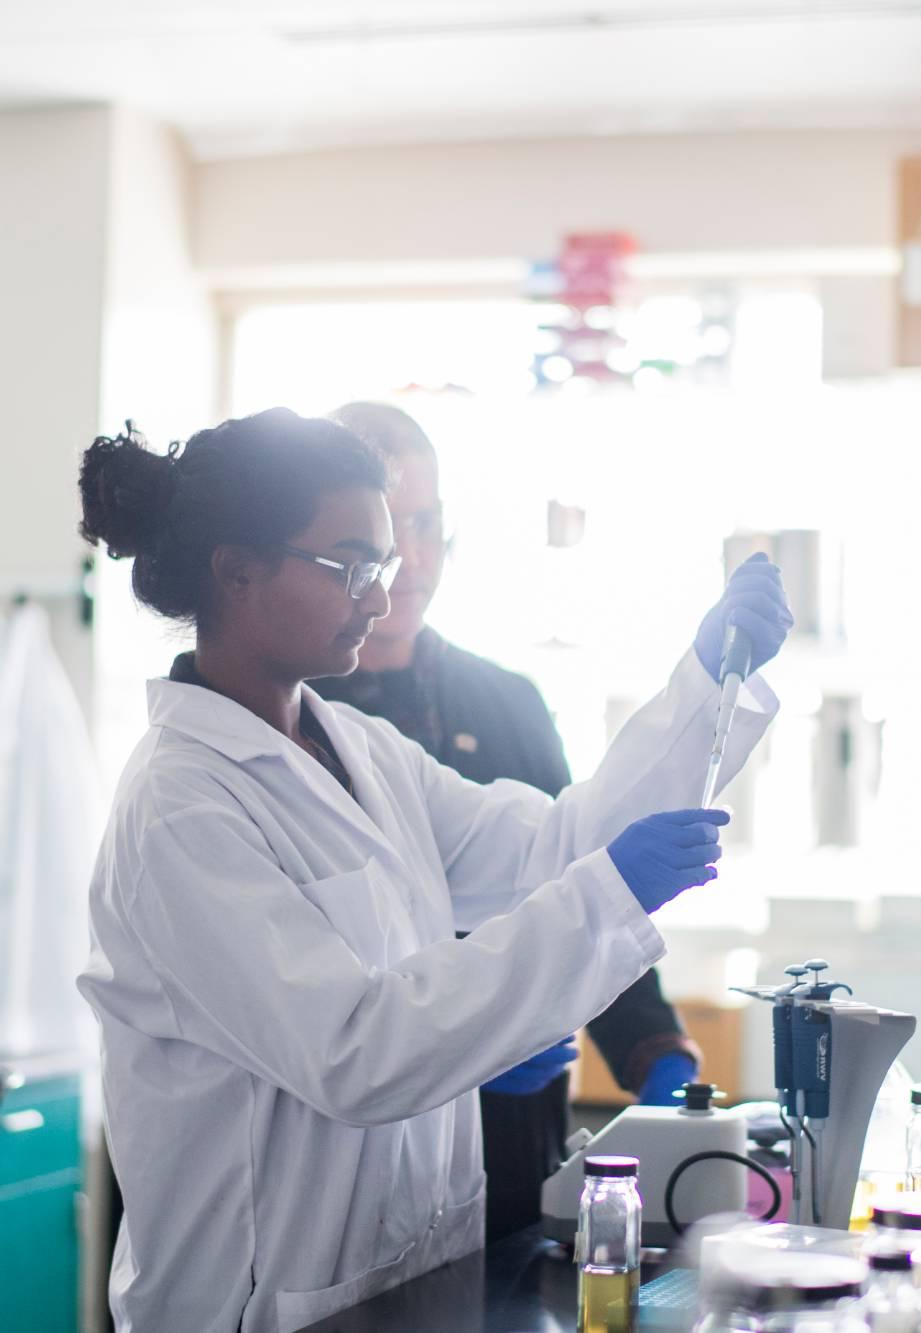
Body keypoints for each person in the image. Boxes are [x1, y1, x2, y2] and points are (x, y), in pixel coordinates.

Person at [75, 409, 792, 1331]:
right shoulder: (180, 807)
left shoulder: (359, 748)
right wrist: (604, 897)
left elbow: (549, 847)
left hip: (403, 1282)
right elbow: (356, 1049)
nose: (381, 594)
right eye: (352, 566)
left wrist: (704, 682)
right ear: (237, 569)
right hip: (258, 1306)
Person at [316, 401, 702, 1242]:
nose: (408, 557)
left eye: (427, 524)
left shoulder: (507, 702)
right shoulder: (301, 725)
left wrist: (655, 1051)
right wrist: (472, 1047)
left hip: (524, 1139)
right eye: (384, 531)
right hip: (377, 1142)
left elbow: (580, 880)